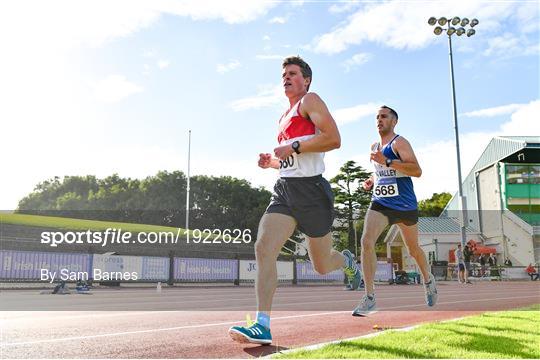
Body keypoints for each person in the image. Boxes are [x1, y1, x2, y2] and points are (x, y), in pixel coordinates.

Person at [228, 56, 362, 345]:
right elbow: (292, 161)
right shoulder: (283, 117)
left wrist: (294, 145)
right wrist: (273, 164)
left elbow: (333, 138)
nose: (286, 78)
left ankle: (347, 261)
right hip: (285, 190)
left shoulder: (310, 101)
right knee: (264, 247)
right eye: (284, 75)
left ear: (307, 80)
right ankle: (262, 324)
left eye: (292, 73)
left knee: (322, 265)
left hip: (312, 192)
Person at [354, 105, 437, 316]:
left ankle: (428, 279)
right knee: (366, 241)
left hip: (404, 205)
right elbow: (381, 171)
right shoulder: (374, 145)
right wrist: (371, 181)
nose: (379, 120)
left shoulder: (399, 142)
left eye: (384, 116)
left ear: (394, 121)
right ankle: (370, 296)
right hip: (381, 202)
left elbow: (416, 170)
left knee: (413, 249)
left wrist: (388, 160)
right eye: (377, 117)